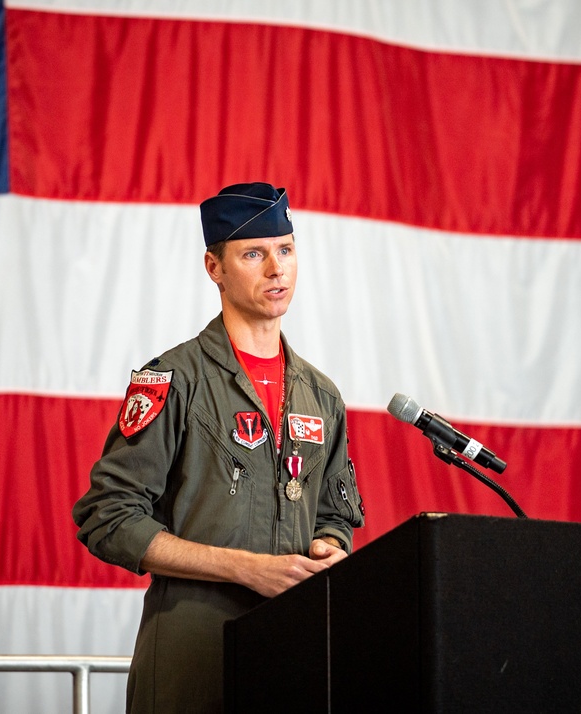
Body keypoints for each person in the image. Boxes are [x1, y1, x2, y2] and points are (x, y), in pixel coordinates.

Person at [72, 182, 365, 713]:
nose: (276, 269)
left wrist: (327, 547)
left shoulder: (322, 396)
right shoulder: (173, 379)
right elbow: (107, 517)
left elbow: (334, 516)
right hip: (193, 653)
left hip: (292, 651)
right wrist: (243, 567)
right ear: (215, 268)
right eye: (253, 254)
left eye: (286, 249)